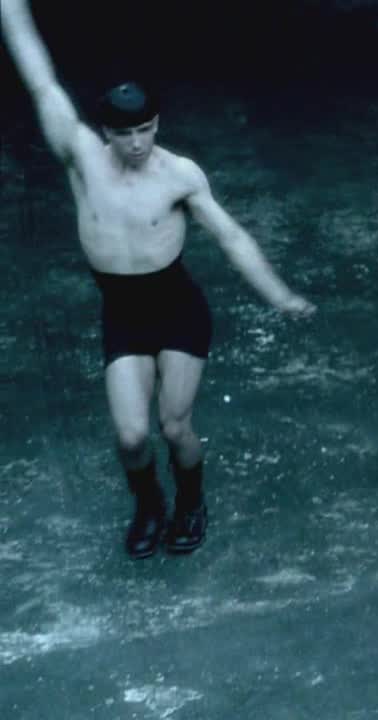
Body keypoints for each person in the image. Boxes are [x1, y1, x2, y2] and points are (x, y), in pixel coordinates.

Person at [1, 0, 315, 560]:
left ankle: (191, 502)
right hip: (123, 313)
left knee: (174, 426)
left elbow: (232, 237)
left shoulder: (179, 175)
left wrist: (278, 294)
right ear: (106, 131)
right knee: (130, 437)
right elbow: (42, 82)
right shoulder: (82, 157)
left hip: (177, 310)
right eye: (125, 133)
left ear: (157, 124)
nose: (138, 142)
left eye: (146, 129)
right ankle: (149, 505)